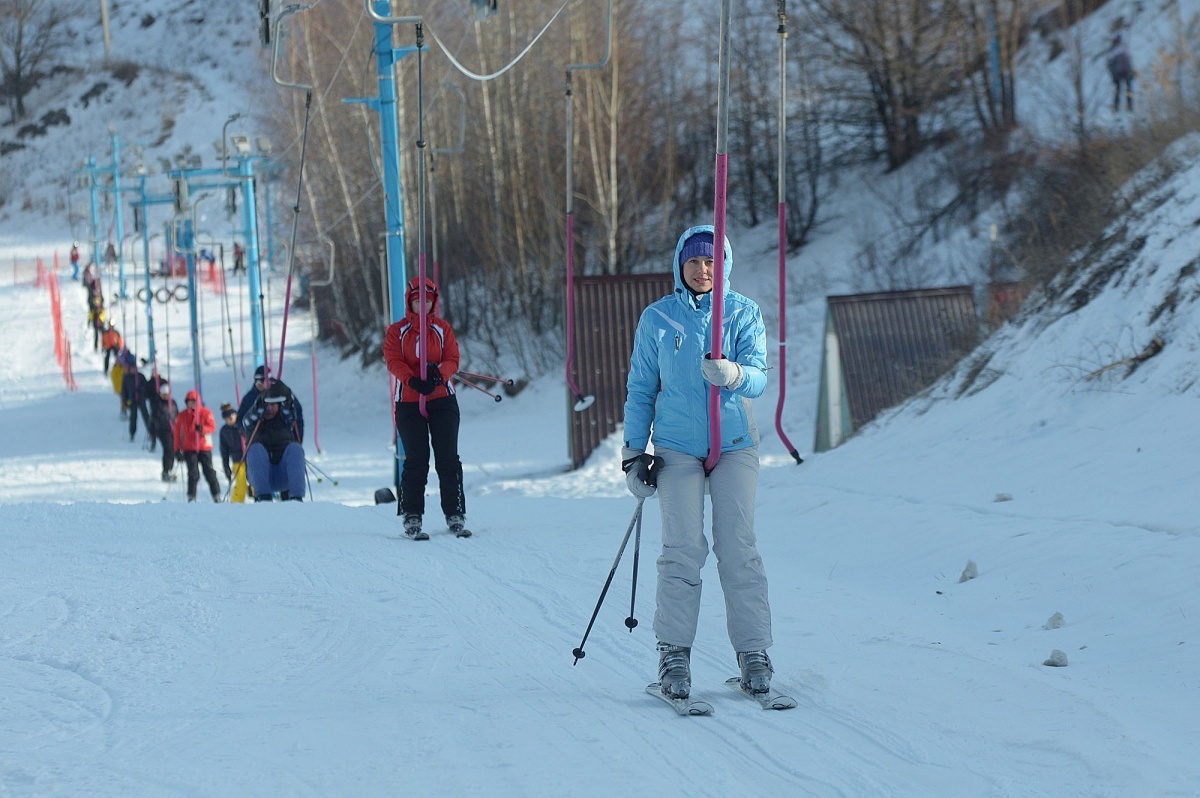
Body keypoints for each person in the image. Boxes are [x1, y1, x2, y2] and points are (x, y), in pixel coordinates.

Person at [622, 225, 775, 700]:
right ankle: (674, 655)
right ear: (679, 265)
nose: (702, 270)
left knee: (738, 548)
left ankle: (754, 653)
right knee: (683, 548)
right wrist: (633, 452)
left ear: (723, 265)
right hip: (677, 447)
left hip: (732, 444)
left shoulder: (742, 312)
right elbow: (641, 388)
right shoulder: (657, 319)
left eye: (711, 261)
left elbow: (758, 377)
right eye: (693, 261)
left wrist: (733, 373)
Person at [383, 276, 467, 539]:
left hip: (442, 399)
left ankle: (455, 512)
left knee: (447, 458)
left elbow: (452, 358)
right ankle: (412, 514)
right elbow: (393, 359)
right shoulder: (397, 331)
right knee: (416, 458)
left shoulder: (442, 329)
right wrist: (411, 380)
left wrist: (437, 375)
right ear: (411, 302)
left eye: (427, 302)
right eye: (418, 301)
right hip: (409, 401)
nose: (423, 306)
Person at [240, 381, 306, 502]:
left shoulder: (285, 419)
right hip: (261, 476)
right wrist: (260, 406)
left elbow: (291, 414)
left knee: (295, 449)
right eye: (267, 405)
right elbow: (246, 422)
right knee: (256, 450)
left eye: (273, 405)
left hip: (283, 473)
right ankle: (263, 499)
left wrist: (288, 398)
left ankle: (297, 498)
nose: (269, 409)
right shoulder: (254, 422)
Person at [174, 390, 222, 503]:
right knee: (193, 473)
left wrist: (202, 429)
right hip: (189, 448)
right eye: (189, 402)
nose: (192, 404)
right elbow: (177, 433)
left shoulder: (206, 413)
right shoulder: (182, 415)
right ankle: (191, 496)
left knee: (209, 472)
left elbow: (212, 427)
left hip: (204, 447)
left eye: (194, 401)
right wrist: (176, 449)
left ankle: (216, 495)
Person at [146, 378, 178, 481]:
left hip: (172, 429)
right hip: (163, 430)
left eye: (167, 394)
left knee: (173, 449)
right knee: (168, 449)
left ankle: (169, 469)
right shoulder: (157, 404)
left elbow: (176, 414)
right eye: (163, 395)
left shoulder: (172, 403)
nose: (165, 397)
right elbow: (155, 418)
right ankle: (166, 470)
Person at [218, 402, 248, 503]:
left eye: (231, 416)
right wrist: (226, 466)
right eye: (227, 418)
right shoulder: (224, 431)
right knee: (240, 483)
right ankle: (236, 503)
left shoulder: (243, 424)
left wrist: (243, 432)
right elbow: (224, 451)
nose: (229, 420)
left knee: (254, 482)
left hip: (249, 457)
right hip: (237, 461)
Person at [1107, 22, 1134, 112]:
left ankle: (1129, 106)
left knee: (1128, 89)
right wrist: (1113, 75)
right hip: (1118, 74)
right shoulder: (1113, 51)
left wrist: (1131, 70)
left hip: (1126, 72)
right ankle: (1116, 107)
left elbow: (1129, 61)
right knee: (1118, 91)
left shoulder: (1123, 48)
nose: (1118, 41)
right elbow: (1110, 65)